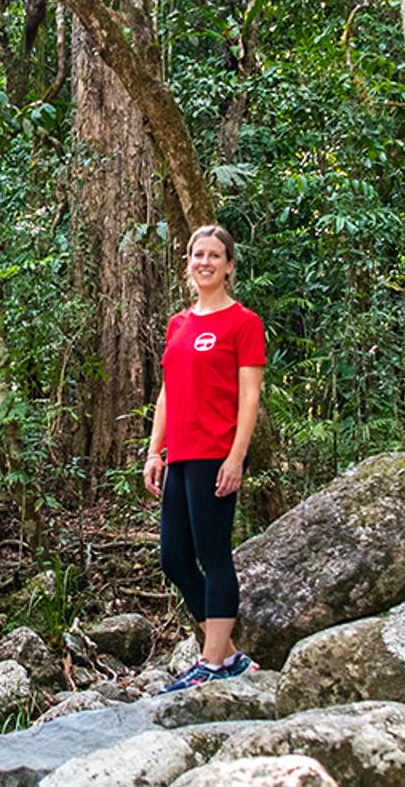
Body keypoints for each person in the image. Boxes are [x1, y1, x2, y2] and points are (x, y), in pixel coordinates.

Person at [143, 224, 266, 692]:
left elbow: (249, 398)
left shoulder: (243, 323)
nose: (205, 262)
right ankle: (230, 656)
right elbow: (169, 393)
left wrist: (236, 457)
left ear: (229, 265)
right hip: (181, 455)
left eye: (215, 255)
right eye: (198, 254)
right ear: (188, 263)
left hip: (217, 453)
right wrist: (156, 451)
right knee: (174, 558)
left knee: (213, 554)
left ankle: (212, 662)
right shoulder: (179, 324)